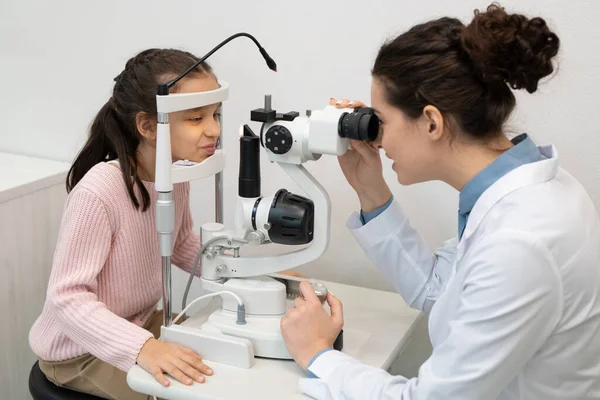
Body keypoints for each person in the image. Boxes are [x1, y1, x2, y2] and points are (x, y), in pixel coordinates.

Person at [280, 4, 600, 399]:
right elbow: (439, 289)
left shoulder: (521, 239)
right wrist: (370, 190)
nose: (377, 138)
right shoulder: (527, 190)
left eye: (381, 120)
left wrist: (318, 354)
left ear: (432, 122)